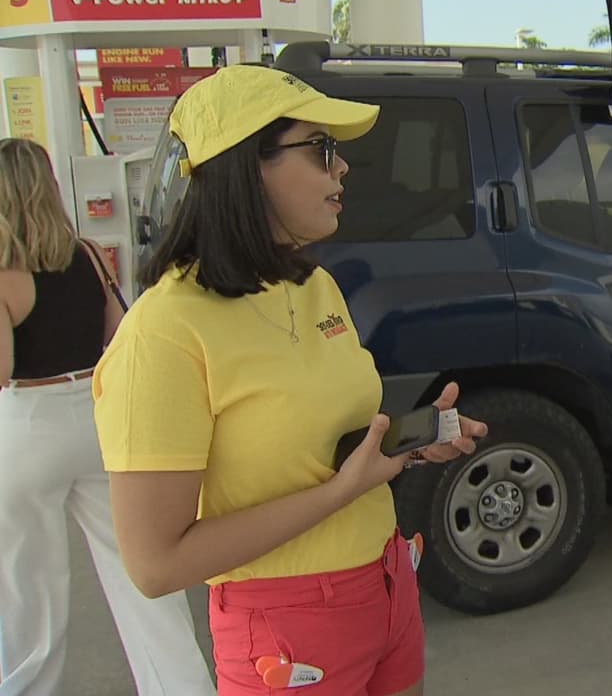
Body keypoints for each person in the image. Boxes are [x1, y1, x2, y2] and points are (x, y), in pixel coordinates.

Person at [92, 65, 488, 696]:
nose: (343, 169)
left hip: (386, 584)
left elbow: (314, 442)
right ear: (248, 166)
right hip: (285, 625)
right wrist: (339, 492)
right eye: (321, 149)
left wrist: (407, 443)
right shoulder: (163, 332)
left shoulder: (314, 286)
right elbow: (155, 564)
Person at [0, 138, 213, 695]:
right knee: (141, 572)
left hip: (27, 426)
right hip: (94, 421)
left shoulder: (3, 274)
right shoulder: (87, 254)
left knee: (30, 592)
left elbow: (1, 370)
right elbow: (120, 338)